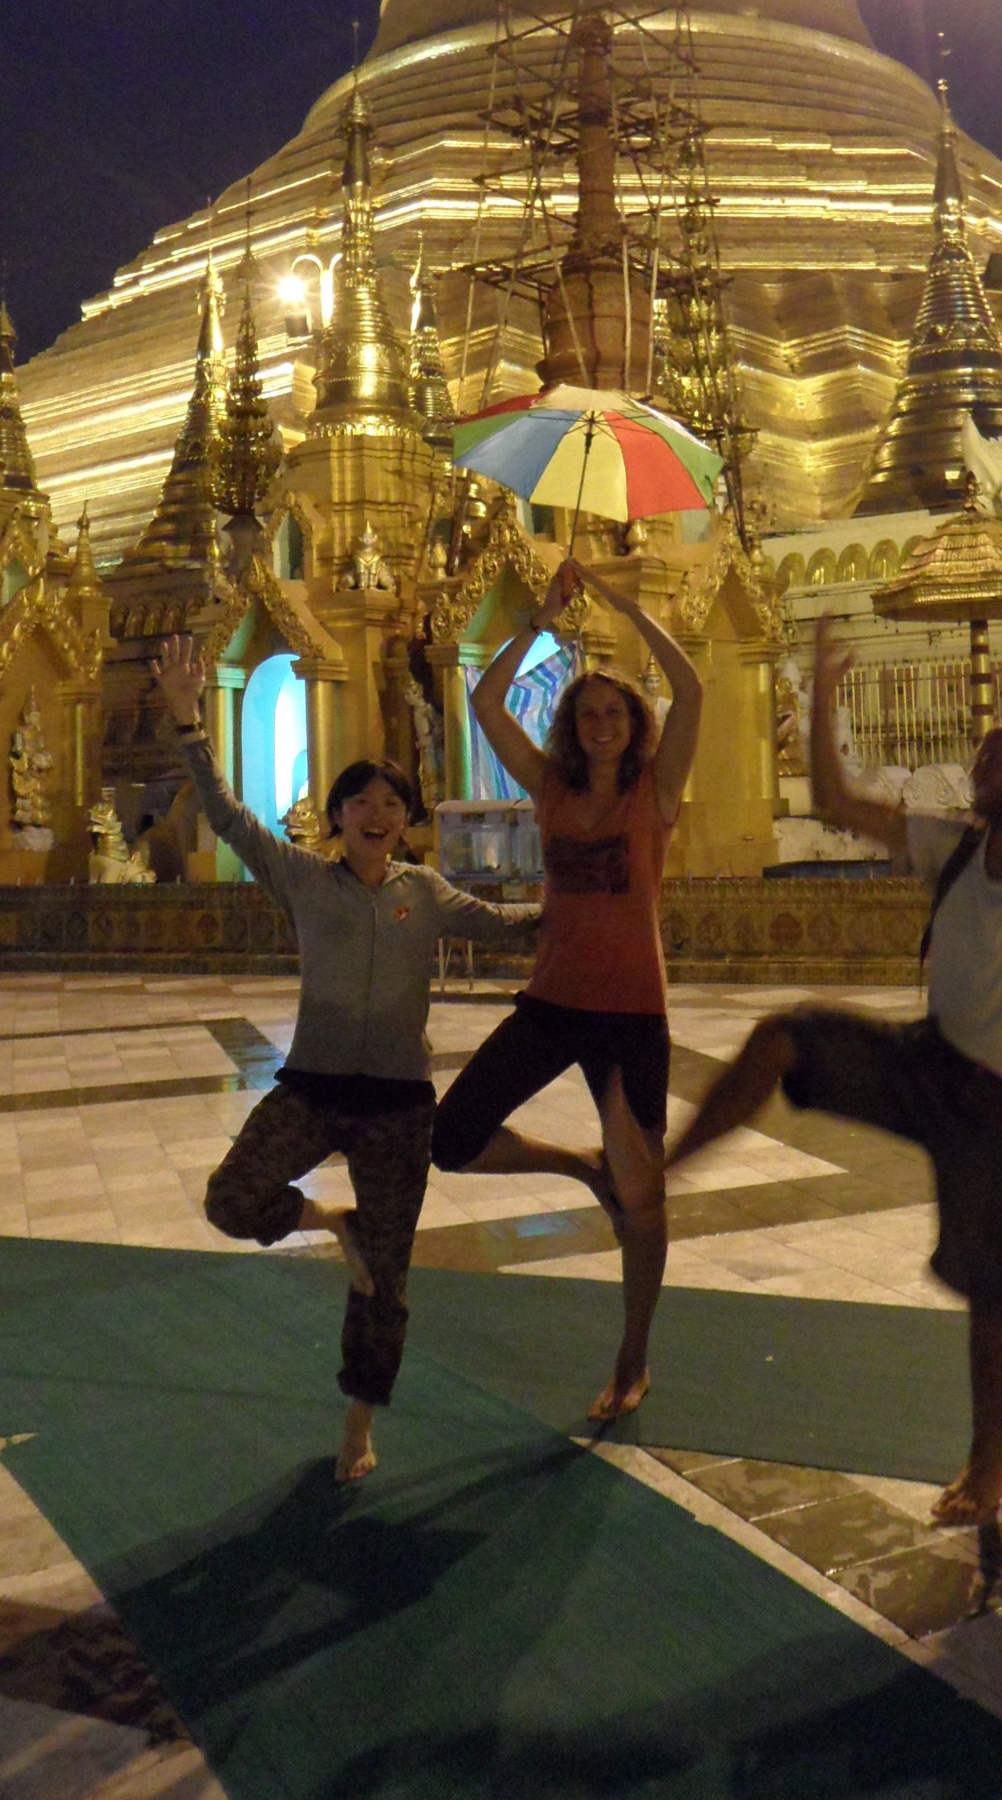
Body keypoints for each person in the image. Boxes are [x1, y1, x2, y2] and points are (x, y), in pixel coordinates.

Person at [665, 614, 1002, 1526]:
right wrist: (821, 697)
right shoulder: (952, 848)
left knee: (992, 1297)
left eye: (996, 762)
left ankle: (988, 1463)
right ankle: (663, 1172)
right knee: (784, 1037)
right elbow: (837, 800)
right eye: (980, 762)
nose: (979, 772)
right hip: (926, 1065)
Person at [152, 634, 541, 1482]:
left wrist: (592, 897)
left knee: (386, 1281)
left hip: (398, 1104)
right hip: (315, 1088)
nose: (377, 814)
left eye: (392, 804)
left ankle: (358, 1425)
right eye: (361, 801)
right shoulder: (302, 877)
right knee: (231, 1198)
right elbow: (227, 815)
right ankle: (335, 1224)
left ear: (406, 820)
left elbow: (509, 930)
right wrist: (188, 722)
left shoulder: (424, 893)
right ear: (337, 815)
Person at [430, 557, 702, 1421]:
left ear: (634, 724)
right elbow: (484, 704)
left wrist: (624, 604)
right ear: (572, 727)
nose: (601, 725)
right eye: (587, 715)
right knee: (452, 1136)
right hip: (553, 1002)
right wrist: (541, 619)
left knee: (644, 1200)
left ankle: (633, 1357)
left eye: (615, 713)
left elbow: (692, 690)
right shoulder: (549, 787)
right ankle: (579, 1166)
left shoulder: (655, 792)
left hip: (631, 1013)